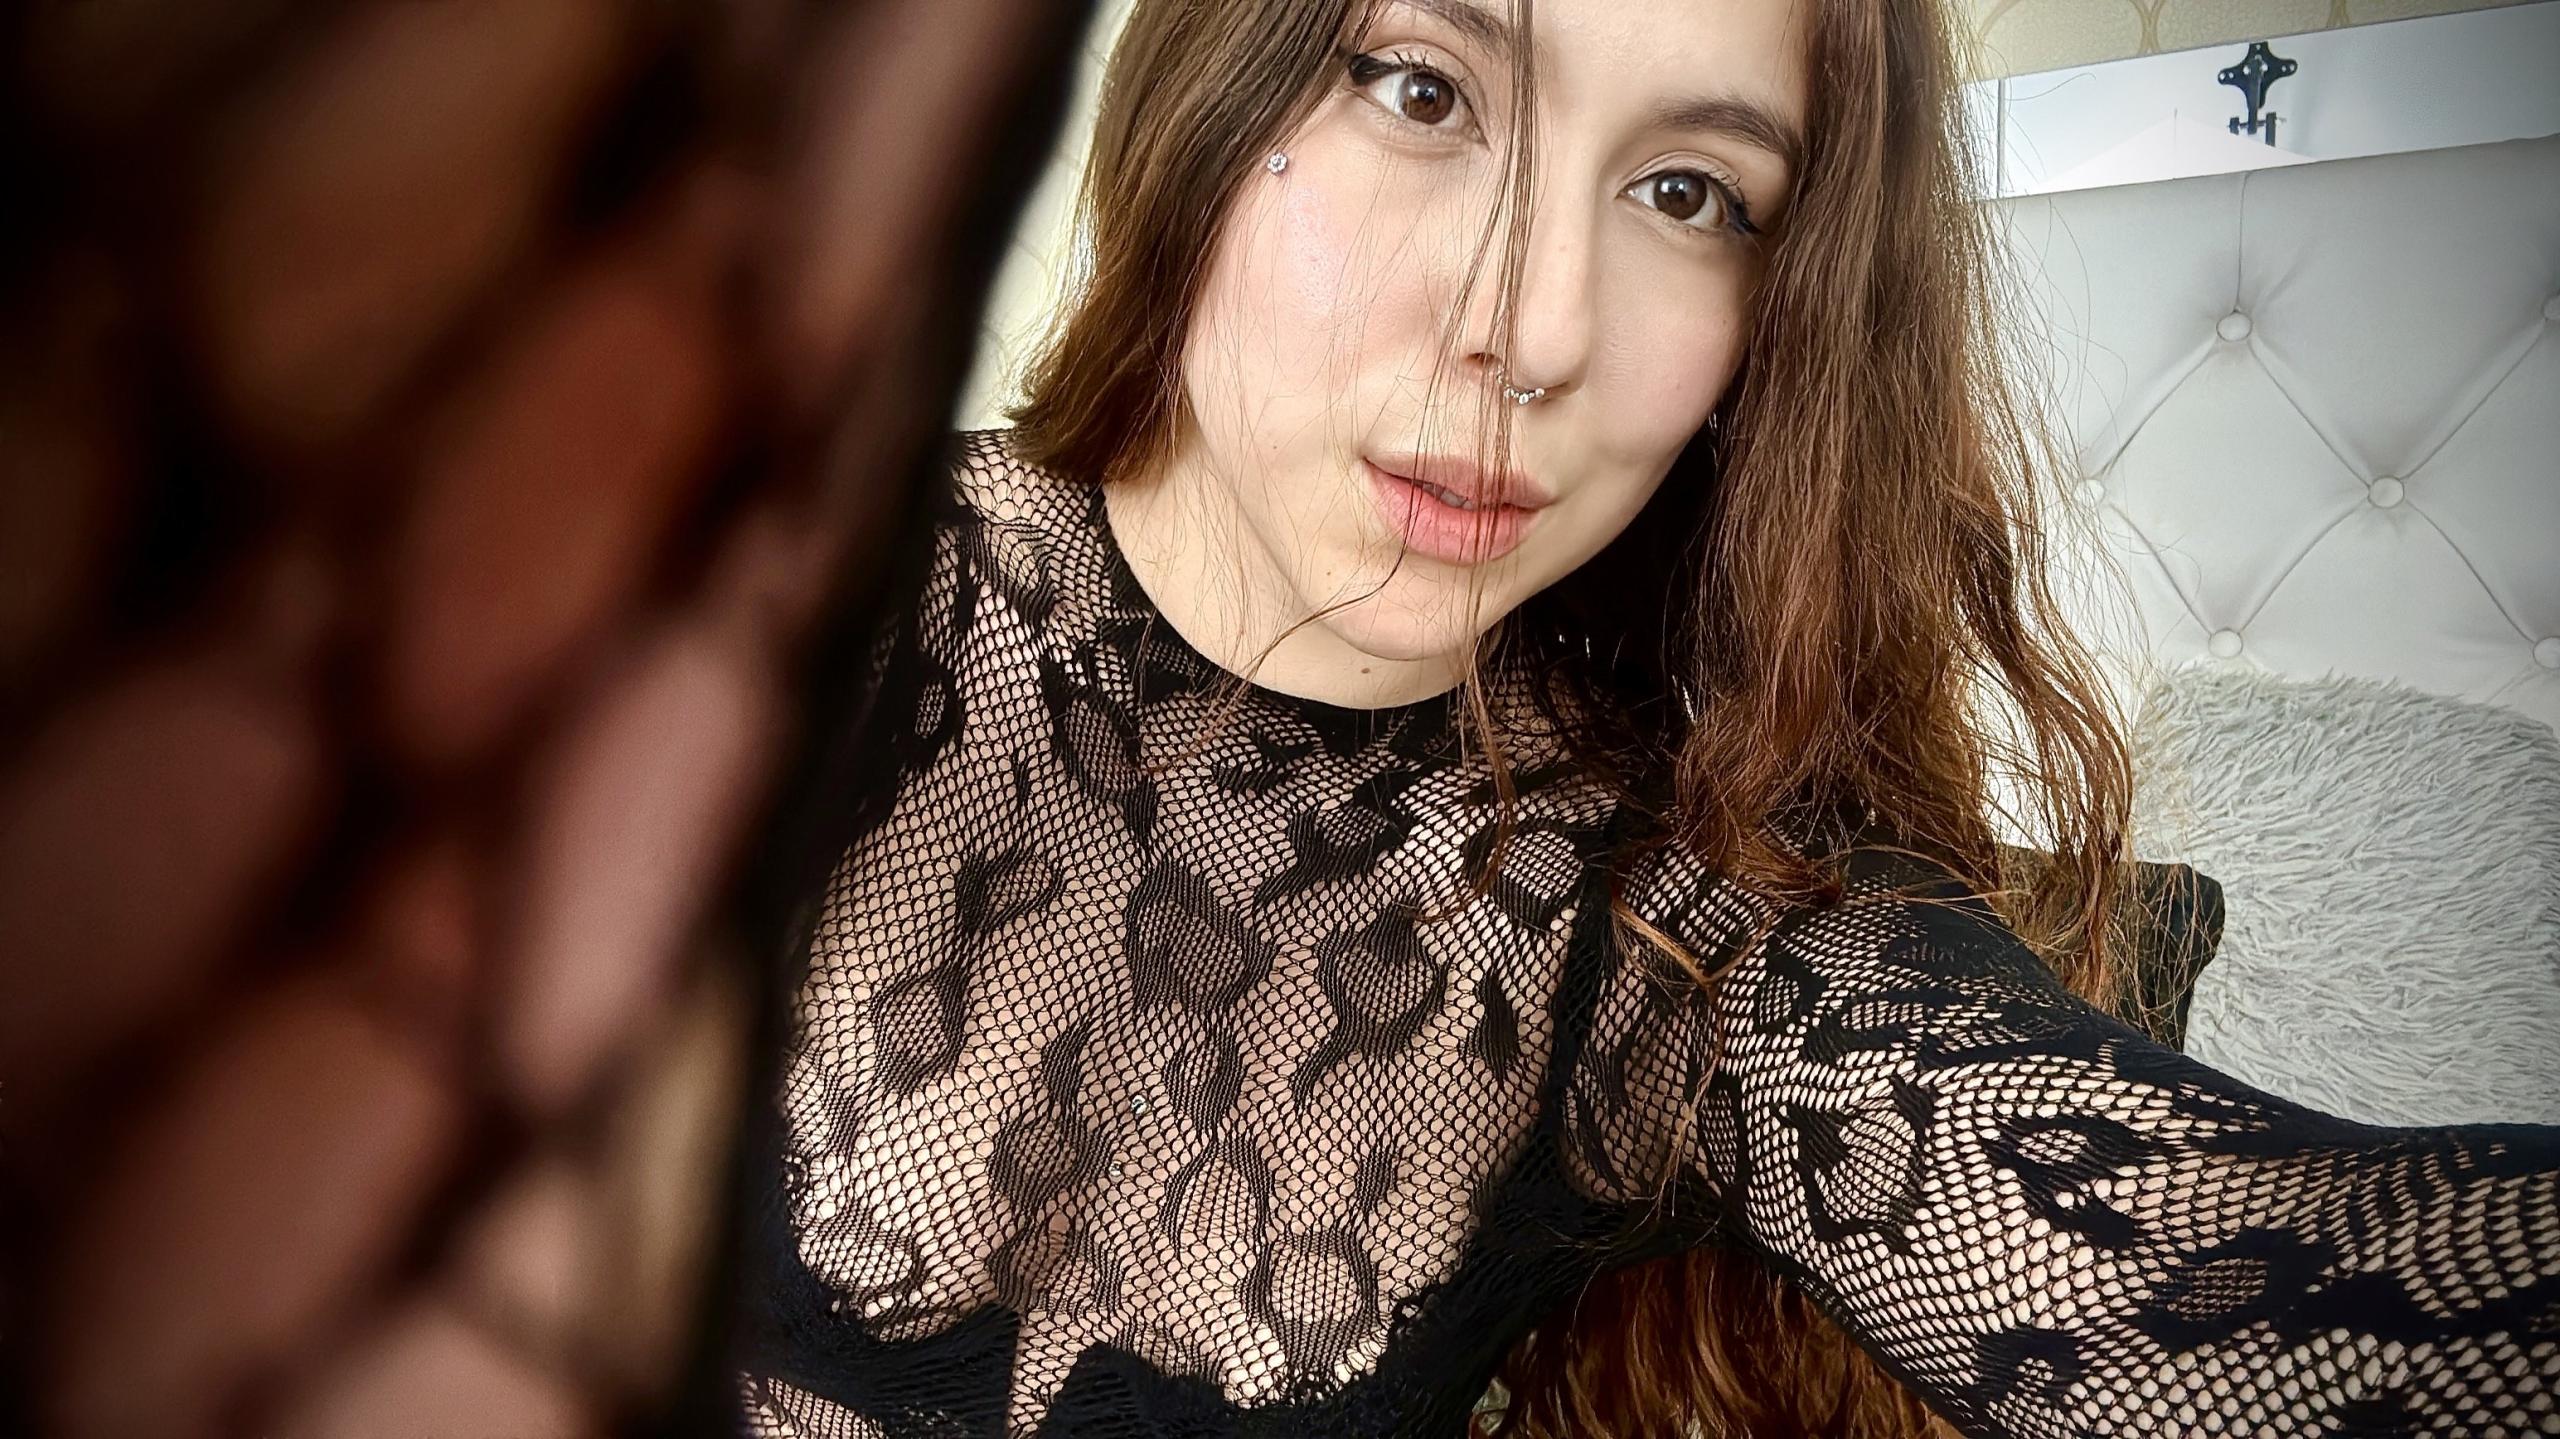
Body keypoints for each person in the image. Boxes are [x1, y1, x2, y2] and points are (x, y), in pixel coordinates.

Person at [731, 0, 2560, 1434]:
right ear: (1213, 88)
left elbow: (2239, 1274)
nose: (1537, 333)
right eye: (1422, 91)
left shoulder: (1674, 925)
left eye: (1689, 194)